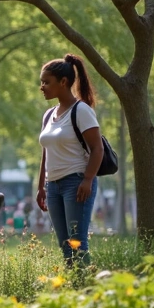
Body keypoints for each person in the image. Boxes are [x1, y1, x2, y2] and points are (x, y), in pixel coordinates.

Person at [37, 54, 103, 265]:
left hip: (75, 183)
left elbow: (97, 148)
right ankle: (74, 289)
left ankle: (85, 289)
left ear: (63, 82)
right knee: (64, 243)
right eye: (42, 82)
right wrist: (41, 187)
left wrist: (88, 180)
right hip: (53, 186)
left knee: (77, 241)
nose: (42, 86)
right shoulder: (49, 115)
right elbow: (46, 152)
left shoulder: (81, 110)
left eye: (47, 82)